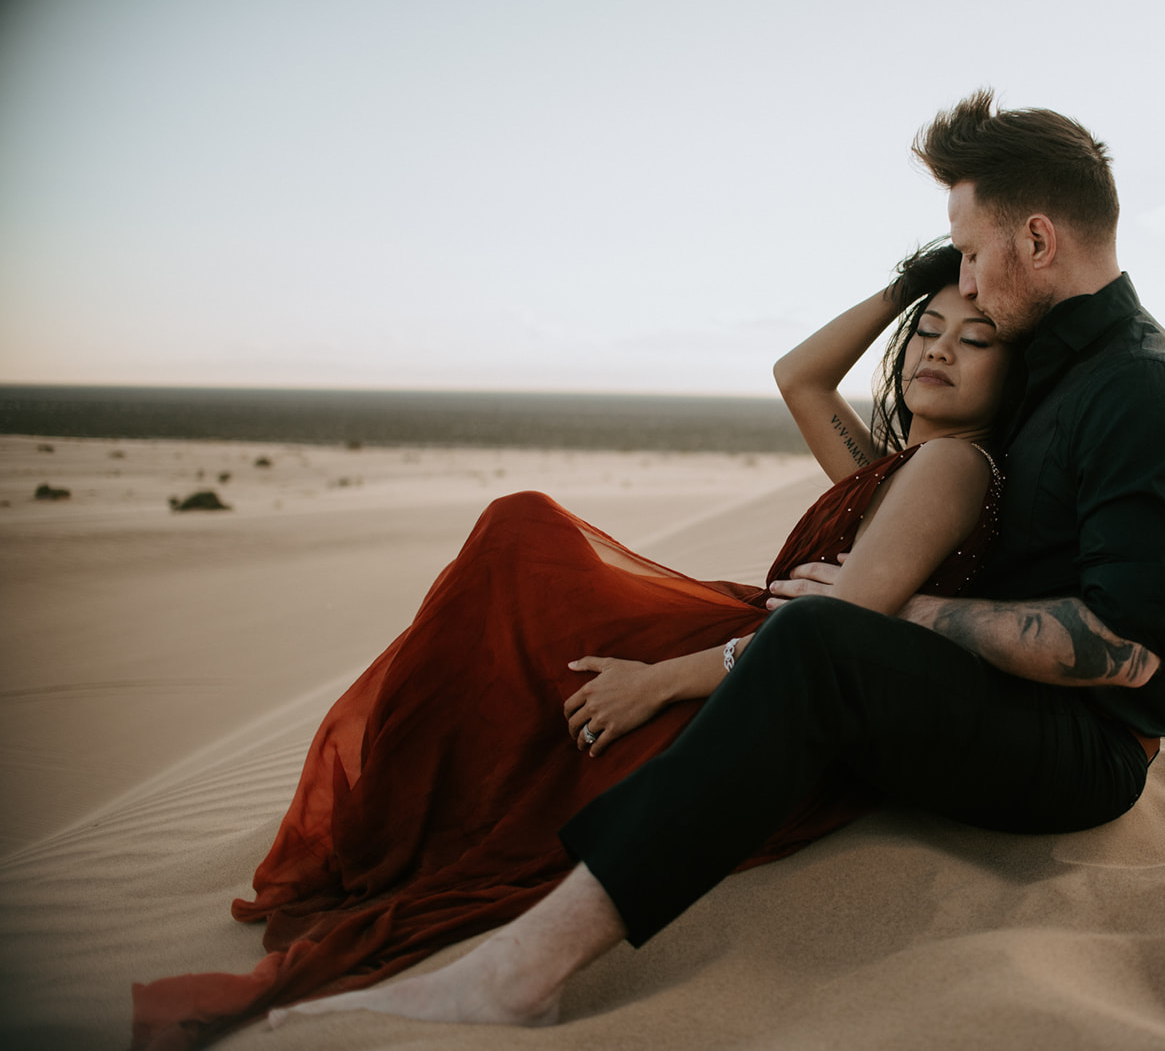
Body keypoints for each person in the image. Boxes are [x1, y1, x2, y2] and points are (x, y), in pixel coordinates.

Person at [256, 89, 1165, 1036]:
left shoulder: (1142, 389)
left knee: (814, 641)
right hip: (977, 694)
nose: (964, 285)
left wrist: (903, 613)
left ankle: (519, 972)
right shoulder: (1045, 373)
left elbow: (1126, 651)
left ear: (1039, 241)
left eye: (971, 255)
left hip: (1079, 752)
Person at [130, 241, 1015, 1050]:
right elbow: (799, 379)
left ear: (1016, 374)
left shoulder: (951, 466)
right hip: (749, 644)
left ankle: (424, 814)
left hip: (760, 685)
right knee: (527, 552)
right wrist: (912, 278)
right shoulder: (891, 463)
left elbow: (838, 630)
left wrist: (660, 681)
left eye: (973, 339)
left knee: (527, 555)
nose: (937, 349)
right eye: (926, 330)